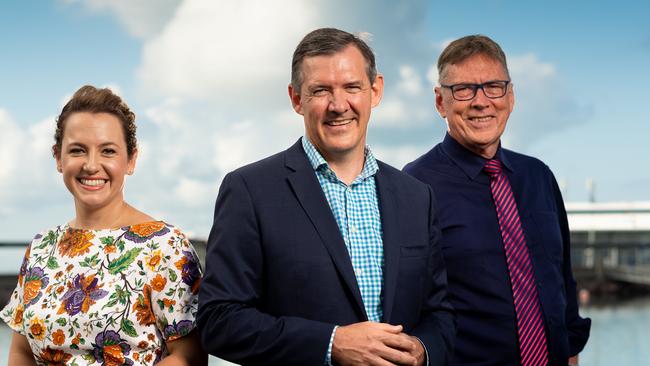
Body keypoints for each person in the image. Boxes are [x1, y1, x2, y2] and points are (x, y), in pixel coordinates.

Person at [198, 27, 455, 366]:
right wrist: (331, 343)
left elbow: (440, 315)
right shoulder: (249, 190)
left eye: (352, 87)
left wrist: (423, 349)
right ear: (296, 98)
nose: (338, 106)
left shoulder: (416, 197)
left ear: (375, 90)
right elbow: (219, 321)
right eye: (320, 90)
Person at [404, 35, 591, 366]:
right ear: (439, 101)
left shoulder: (539, 177)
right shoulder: (415, 185)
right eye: (463, 89)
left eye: (493, 86)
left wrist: (571, 352)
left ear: (511, 96)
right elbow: (408, 303)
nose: (481, 101)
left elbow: (562, 278)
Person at [1, 85, 207, 366]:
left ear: (131, 159)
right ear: (58, 158)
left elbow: (189, 356)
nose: (91, 165)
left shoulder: (166, 245)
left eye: (108, 151)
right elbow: (21, 352)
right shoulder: (41, 247)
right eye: (77, 150)